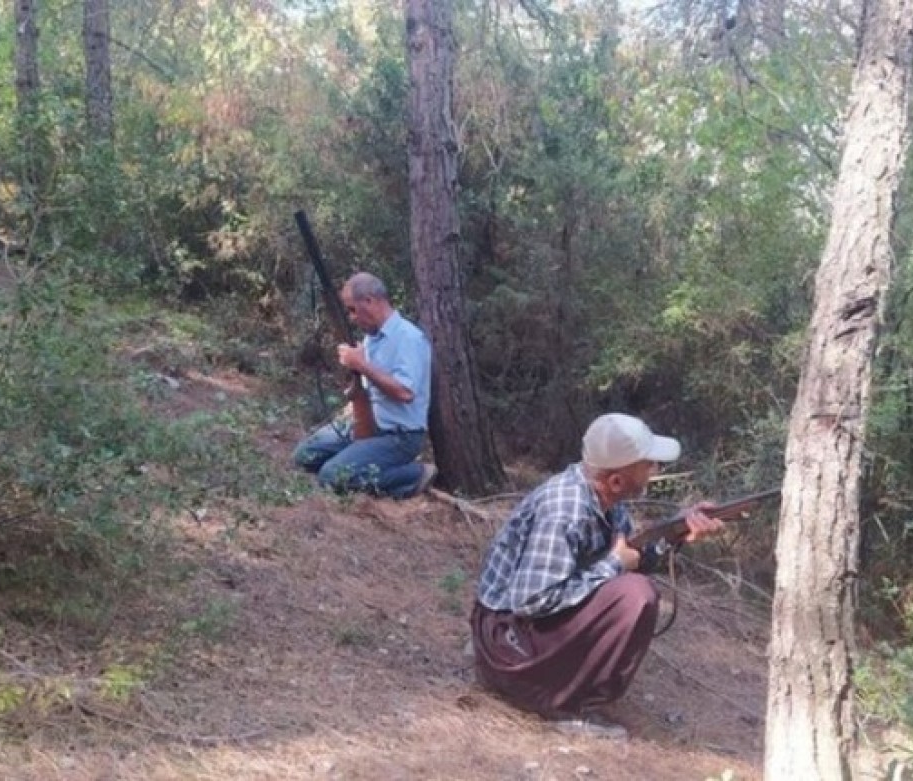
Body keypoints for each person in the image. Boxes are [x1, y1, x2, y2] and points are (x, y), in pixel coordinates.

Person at [470, 412, 724, 740]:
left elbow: (633, 558)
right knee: (636, 596)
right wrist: (614, 565)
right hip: (506, 647)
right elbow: (531, 600)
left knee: (632, 589)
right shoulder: (566, 510)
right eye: (648, 464)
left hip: (513, 638)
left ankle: (554, 686)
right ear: (616, 480)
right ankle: (560, 704)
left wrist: (677, 532)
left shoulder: (604, 497)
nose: (655, 471)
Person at [293, 272, 436, 500]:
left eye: (352, 309)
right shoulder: (371, 338)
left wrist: (361, 364)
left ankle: (413, 475)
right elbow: (369, 389)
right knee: (305, 456)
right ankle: (362, 460)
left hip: (399, 437)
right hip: (369, 425)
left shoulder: (409, 338)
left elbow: (405, 392)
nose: (351, 318)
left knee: (331, 476)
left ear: (369, 301)